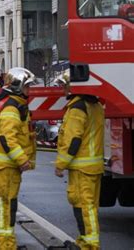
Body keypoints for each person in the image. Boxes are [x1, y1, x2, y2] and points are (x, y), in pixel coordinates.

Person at [0, 68, 37, 249]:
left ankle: (8, 242)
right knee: (6, 205)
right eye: (27, 86)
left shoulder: (13, 104)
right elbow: (7, 138)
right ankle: (5, 244)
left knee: (9, 204)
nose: (29, 91)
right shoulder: (10, 107)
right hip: (5, 166)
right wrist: (22, 159)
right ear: (18, 86)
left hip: (7, 166)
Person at [54, 72, 104, 250]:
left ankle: (90, 245)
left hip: (82, 168)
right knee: (89, 207)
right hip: (92, 167)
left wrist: (61, 164)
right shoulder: (95, 105)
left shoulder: (77, 108)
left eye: (64, 85)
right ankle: (85, 242)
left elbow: (73, 140)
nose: (63, 90)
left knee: (84, 207)